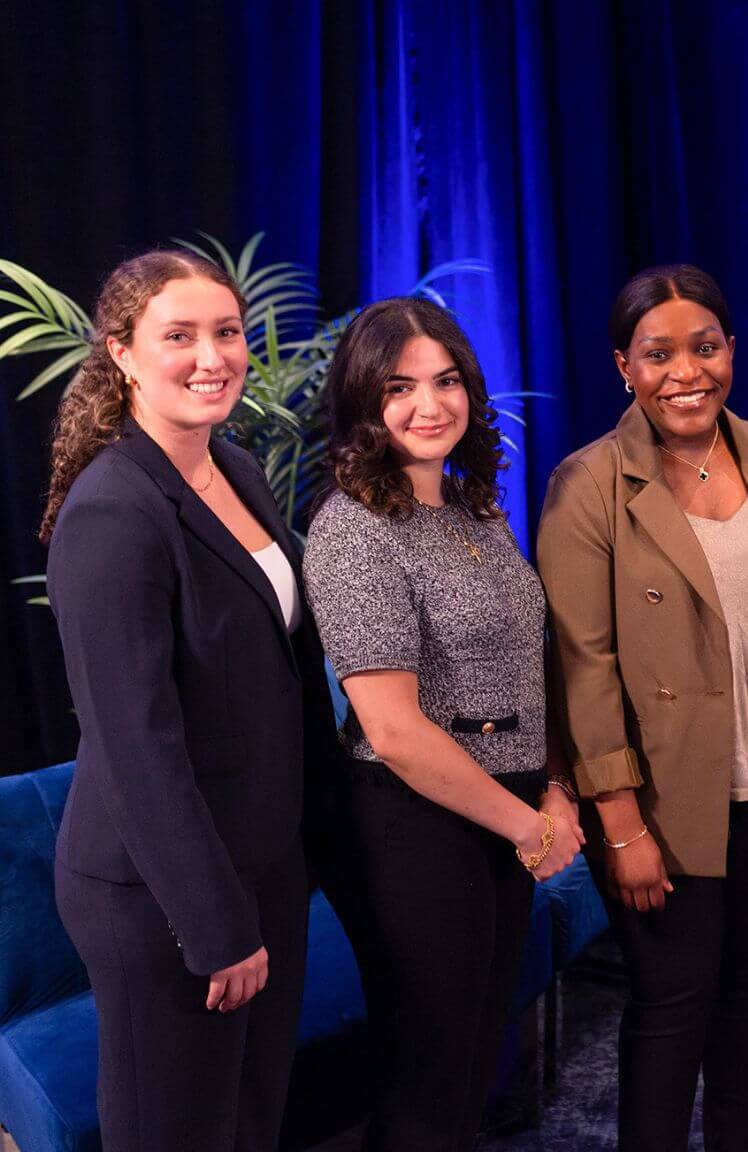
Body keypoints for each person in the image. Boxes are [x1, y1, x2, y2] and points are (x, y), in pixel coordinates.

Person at [43, 249, 338, 1151]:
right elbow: (135, 742)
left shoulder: (235, 469)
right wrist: (213, 925)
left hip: (260, 865)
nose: (213, 356)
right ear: (123, 354)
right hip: (161, 895)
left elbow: (280, 673)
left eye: (228, 332)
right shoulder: (113, 510)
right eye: (180, 336)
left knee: (249, 1125)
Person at [539, 264, 748, 1152]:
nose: (686, 372)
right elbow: (583, 665)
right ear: (625, 365)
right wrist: (619, 825)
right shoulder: (589, 483)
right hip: (663, 805)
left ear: (731, 351)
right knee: (670, 1012)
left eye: (704, 348)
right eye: (659, 355)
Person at [303, 297, 584, 1152]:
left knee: (469, 1070)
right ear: (363, 404)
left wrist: (556, 793)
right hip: (413, 825)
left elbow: (529, 670)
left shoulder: (473, 510)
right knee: (427, 1080)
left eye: (447, 380)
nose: (431, 405)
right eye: (400, 387)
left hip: (504, 809)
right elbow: (391, 730)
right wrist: (528, 828)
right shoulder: (353, 530)